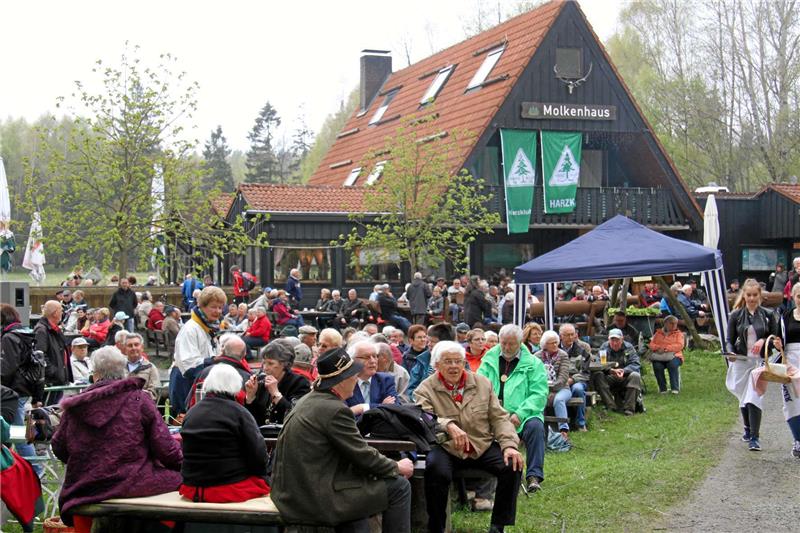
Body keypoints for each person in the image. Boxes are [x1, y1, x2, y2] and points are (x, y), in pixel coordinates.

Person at [271, 348, 413, 532]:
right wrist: (397, 466)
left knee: (363, 490)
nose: (356, 380)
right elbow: (362, 455)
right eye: (354, 375)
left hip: (293, 493)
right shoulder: (336, 410)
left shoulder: (308, 400)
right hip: (314, 499)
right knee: (400, 487)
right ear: (342, 380)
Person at [52, 347, 182, 530]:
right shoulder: (138, 400)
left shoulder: (76, 406)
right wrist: (185, 466)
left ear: (95, 374)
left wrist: (86, 462)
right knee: (183, 484)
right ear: (124, 371)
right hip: (134, 481)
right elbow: (166, 449)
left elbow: (58, 447)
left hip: (85, 485)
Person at [415, 341, 524, 533]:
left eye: (458, 361)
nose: (454, 366)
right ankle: (436, 527)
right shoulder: (425, 388)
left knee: (512, 464)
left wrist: (509, 445)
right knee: (436, 472)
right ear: (437, 365)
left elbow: (499, 418)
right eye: (448, 361)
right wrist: (448, 425)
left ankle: (498, 526)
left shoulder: (482, 383)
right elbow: (424, 418)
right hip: (446, 447)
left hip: (480, 444)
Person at [179, 364, 270, 503]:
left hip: (192, 487)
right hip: (228, 485)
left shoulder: (192, 412)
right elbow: (258, 455)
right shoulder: (239, 412)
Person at [477, 324, 548, 494]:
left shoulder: (533, 364)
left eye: (512, 344)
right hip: (494, 413)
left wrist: (520, 413)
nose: (507, 348)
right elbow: (478, 387)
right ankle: (489, 477)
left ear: (520, 342)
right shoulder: (488, 360)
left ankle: (534, 475)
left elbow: (539, 394)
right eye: (504, 343)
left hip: (523, 414)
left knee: (536, 427)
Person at [726, 278, 781, 451]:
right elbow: (729, 340)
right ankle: (748, 429)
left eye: (754, 295)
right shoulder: (735, 315)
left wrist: (764, 340)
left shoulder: (768, 315)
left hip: (758, 362)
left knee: (754, 397)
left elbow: (775, 338)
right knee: (744, 397)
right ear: (744, 295)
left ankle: (755, 438)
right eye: (748, 295)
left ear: (759, 295)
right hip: (741, 362)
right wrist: (731, 353)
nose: (751, 298)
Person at [1, 304, 43, 473]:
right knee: (16, 434)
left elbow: (7, 367)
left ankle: (35, 470)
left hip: (12, 391)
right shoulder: (23, 334)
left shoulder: (9, 338)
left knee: (19, 436)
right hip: (23, 389)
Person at [172, 286, 226, 416]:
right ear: (202, 306)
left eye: (220, 307)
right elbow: (189, 365)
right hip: (186, 385)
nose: (217, 311)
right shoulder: (190, 329)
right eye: (213, 307)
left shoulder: (209, 328)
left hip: (202, 384)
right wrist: (214, 360)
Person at [244, 342, 310, 425]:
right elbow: (251, 419)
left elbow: (296, 415)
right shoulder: (261, 381)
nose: (265, 368)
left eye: (270, 363)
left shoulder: (299, 383)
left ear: (284, 364)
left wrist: (276, 394)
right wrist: (250, 396)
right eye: (264, 362)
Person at [187, 334, 252, 409]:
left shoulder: (205, 372)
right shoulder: (247, 378)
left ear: (222, 351)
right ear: (244, 354)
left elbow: (190, 403)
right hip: (233, 419)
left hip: (201, 416)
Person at [593, 329, 642, 416]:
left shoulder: (629, 347)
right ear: (608, 340)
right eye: (612, 340)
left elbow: (635, 363)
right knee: (598, 375)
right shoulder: (604, 347)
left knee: (636, 375)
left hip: (625, 376)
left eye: (617, 340)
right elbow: (597, 362)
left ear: (622, 339)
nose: (615, 343)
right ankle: (611, 406)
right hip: (610, 375)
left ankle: (629, 408)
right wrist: (610, 370)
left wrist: (624, 371)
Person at [532, 331, 572, 437]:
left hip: (562, 388)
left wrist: (553, 389)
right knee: (539, 399)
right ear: (545, 345)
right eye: (552, 343)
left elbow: (563, 377)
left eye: (556, 342)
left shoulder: (563, 355)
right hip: (543, 389)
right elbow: (534, 377)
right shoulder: (537, 356)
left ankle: (564, 430)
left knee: (558, 399)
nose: (555, 345)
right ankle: (538, 430)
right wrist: (545, 390)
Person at [345, 341, 399, 416]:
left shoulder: (386, 380)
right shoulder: (345, 383)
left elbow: (394, 409)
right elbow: (343, 414)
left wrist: (360, 409)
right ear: (352, 360)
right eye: (366, 357)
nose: (373, 361)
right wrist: (381, 406)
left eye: (375, 356)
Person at [779, 283, 800, 458]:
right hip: (790, 362)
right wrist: (776, 344)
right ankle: (797, 439)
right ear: (793, 296)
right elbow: (778, 338)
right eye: (799, 296)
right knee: (791, 402)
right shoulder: (786, 316)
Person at [407, 323, 453, 400]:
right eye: (428, 341)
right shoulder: (423, 360)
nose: (429, 344)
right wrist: (421, 401)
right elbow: (412, 389)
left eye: (433, 342)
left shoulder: (459, 362)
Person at [559, 323, 591, 432]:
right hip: (558, 381)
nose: (570, 337)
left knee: (578, 389)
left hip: (577, 381)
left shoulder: (582, 351)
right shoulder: (554, 350)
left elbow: (585, 372)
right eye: (567, 335)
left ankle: (581, 423)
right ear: (561, 336)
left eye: (572, 334)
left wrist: (572, 380)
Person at [34, 300, 72, 393]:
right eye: (61, 311)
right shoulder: (42, 330)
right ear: (55, 313)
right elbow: (40, 355)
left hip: (58, 380)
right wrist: (54, 373)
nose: (62, 313)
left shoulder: (55, 329)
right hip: (51, 382)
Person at [648, 315, 685, 394]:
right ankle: (663, 389)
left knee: (672, 365)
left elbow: (680, 345)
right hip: (659, 356)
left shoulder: (678, 334)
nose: (674, 325)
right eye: (671, 323)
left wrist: (665, 348)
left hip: (675, 355)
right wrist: (658, 348)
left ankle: (675, 388)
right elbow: (651, 345)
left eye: (675, 323)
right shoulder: (658, 333)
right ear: (665, 323)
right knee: (657, 366)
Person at [124, 333, 161, 401]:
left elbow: (155, 392)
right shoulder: (119, 367)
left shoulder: (151, 368)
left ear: (142, 347)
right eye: (130, 345)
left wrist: (136, 396)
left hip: (142, 406)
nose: (133, 348)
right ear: (125, 349)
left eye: (136, 345)